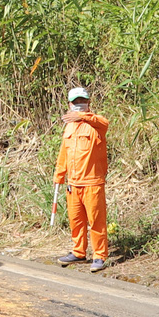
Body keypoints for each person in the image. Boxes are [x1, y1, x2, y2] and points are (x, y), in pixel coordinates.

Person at [53, 86, 111, 272]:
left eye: (82, 101)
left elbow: (104, 123)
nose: (79, 105)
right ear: (69, 104)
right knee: (76, 220)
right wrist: (59, 175)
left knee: (96, 220)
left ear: (89, 103)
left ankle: (99, 256)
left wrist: (82, 117)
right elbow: (64, 152)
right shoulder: (69, 126)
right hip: (73, 183)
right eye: (76, 102)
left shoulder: (96, 124)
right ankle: (78, 252)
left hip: (93, 182)